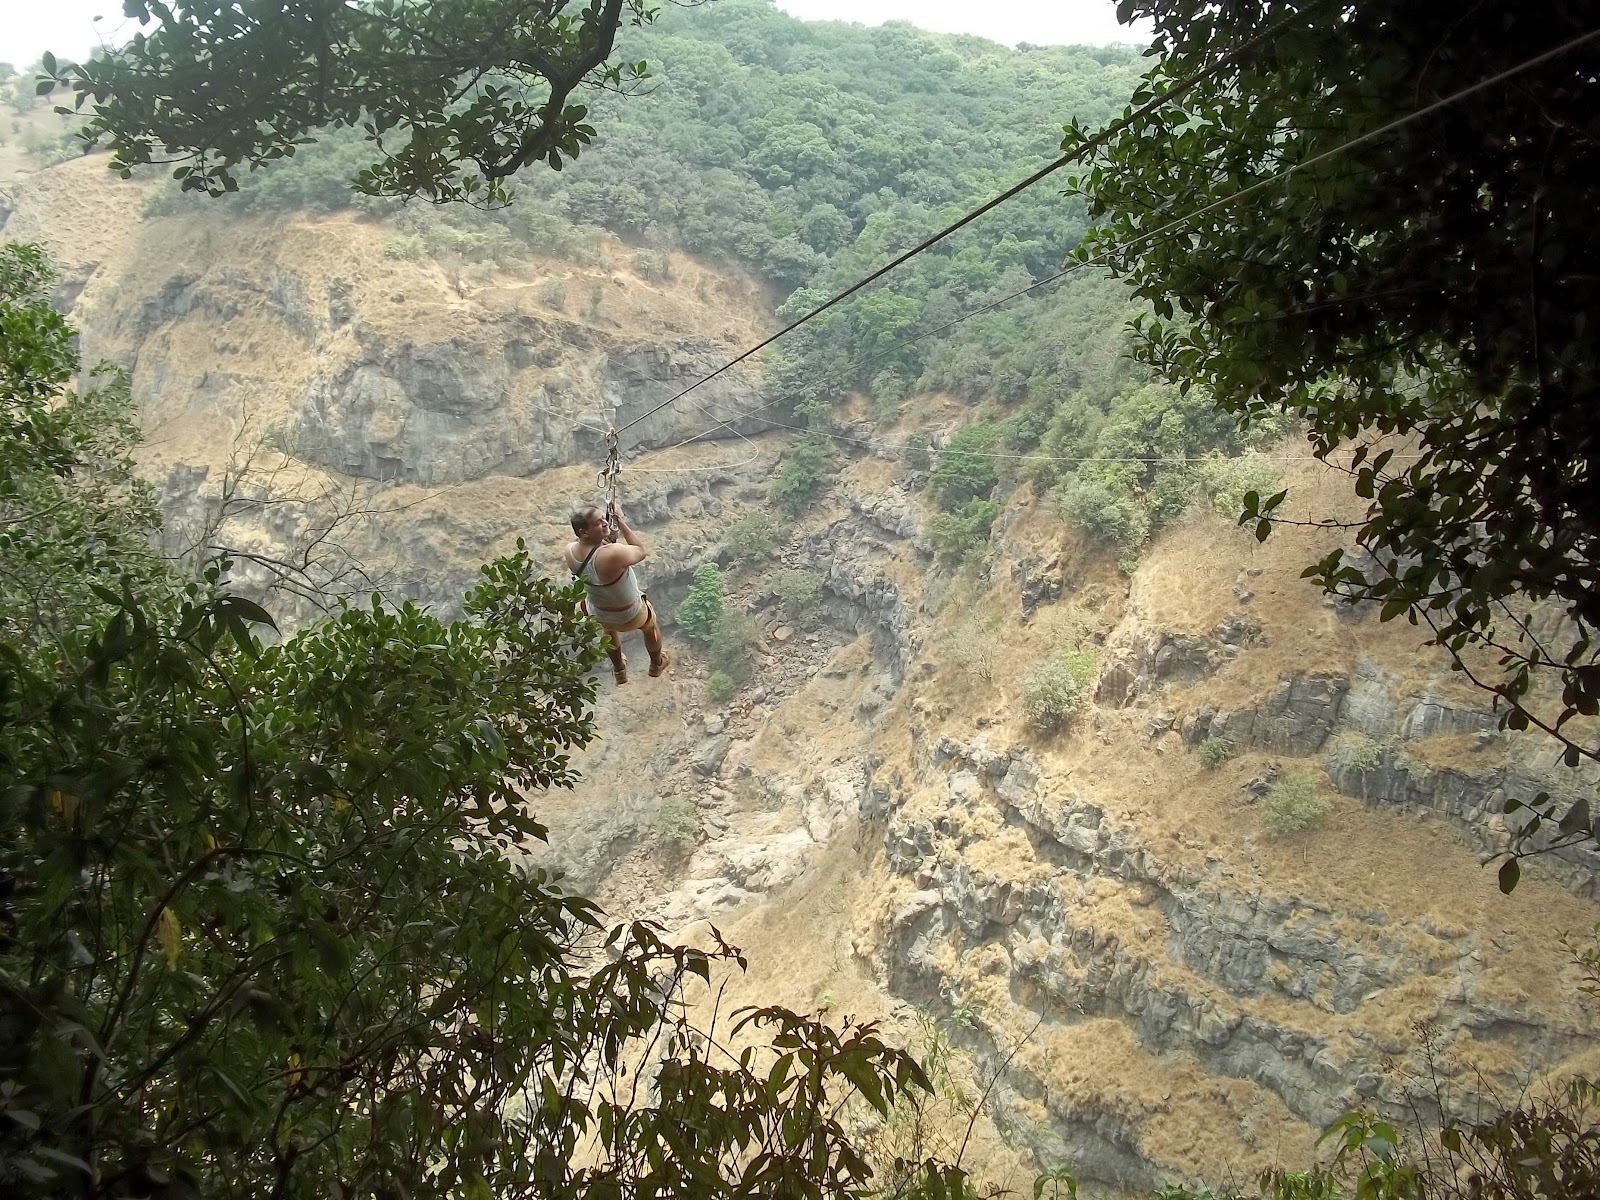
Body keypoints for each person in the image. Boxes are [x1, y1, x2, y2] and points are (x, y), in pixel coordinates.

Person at [564, 501, 670, 684]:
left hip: (599, 613)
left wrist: (606, 536)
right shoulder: (612, 554)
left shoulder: (570, 551)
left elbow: (593, 553)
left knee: (608, 628)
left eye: (604, 519)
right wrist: (620, 522)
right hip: (630, 613)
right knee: (649, 625)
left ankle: (619, 669)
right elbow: (640, 551)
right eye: (598, 523)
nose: (605, 523)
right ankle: (656, 663)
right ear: (584, 532)